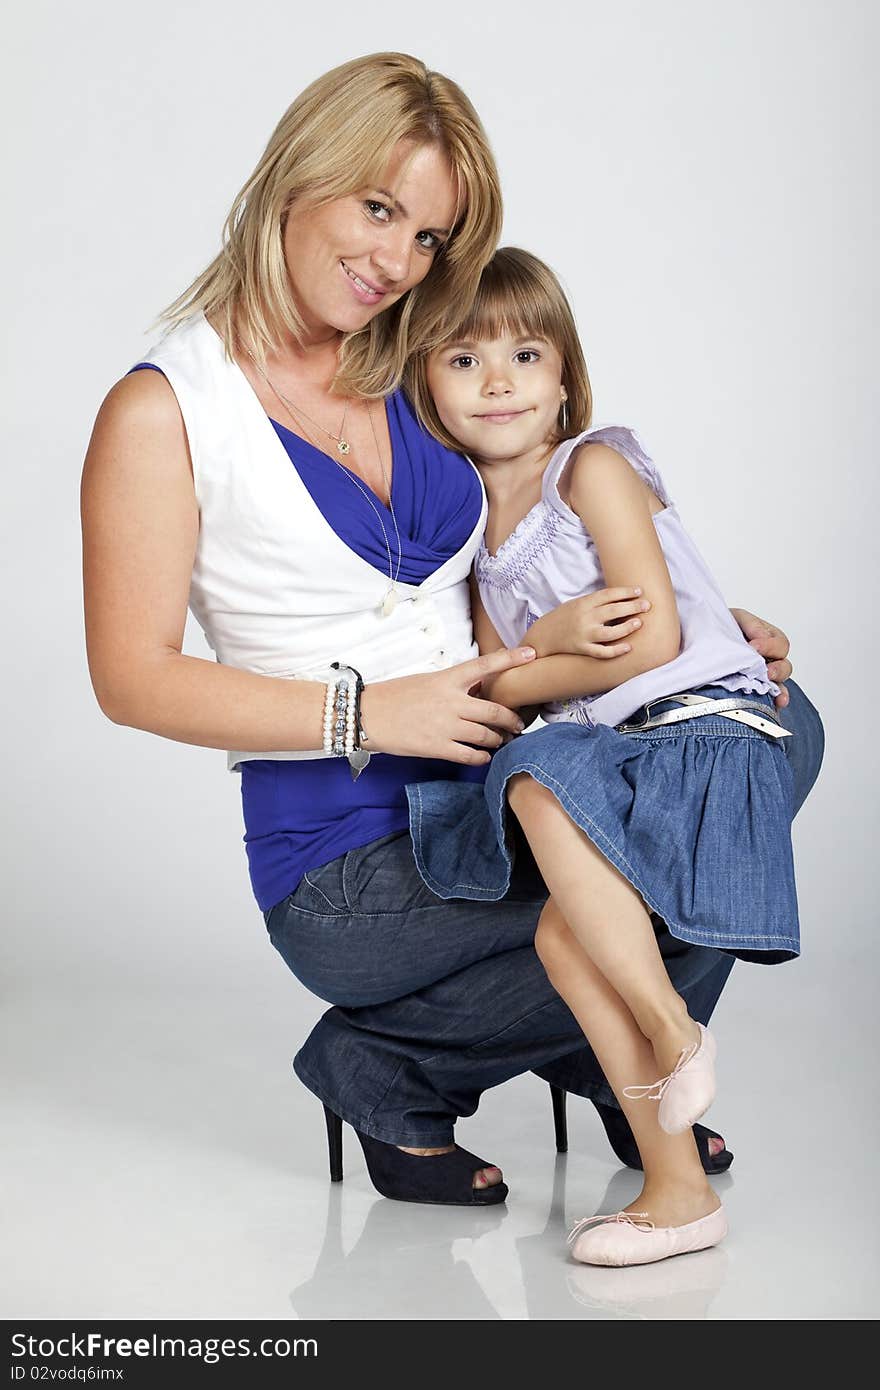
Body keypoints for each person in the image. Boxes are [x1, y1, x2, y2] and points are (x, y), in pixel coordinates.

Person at [81, 54, 821, 1210]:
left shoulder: (409, 354)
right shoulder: (164, 409)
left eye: (429, 237)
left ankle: (601, 1039)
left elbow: (536, 528)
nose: (395, 260)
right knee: (673, 860)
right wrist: (368, 712)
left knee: (758, 748)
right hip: (349, 855)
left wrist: (692, 631)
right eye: (379, 208)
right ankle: (392, 1065)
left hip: (500, 770)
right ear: (296, 178)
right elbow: (129, 678)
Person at [405, 246, 808, 1257]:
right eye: (462, 360)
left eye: (524, 354)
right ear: (424, 383)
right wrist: (555, 645)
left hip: (708, 721)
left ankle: (673, 1028)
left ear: (564, 378)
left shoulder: (592, 466)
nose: (497, 382)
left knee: (535, 775)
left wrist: (543, 656)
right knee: (554, 928)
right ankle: (677, 1192)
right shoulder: (479, 553)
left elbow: (655, 639)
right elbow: (497, 690)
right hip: (624, 745)